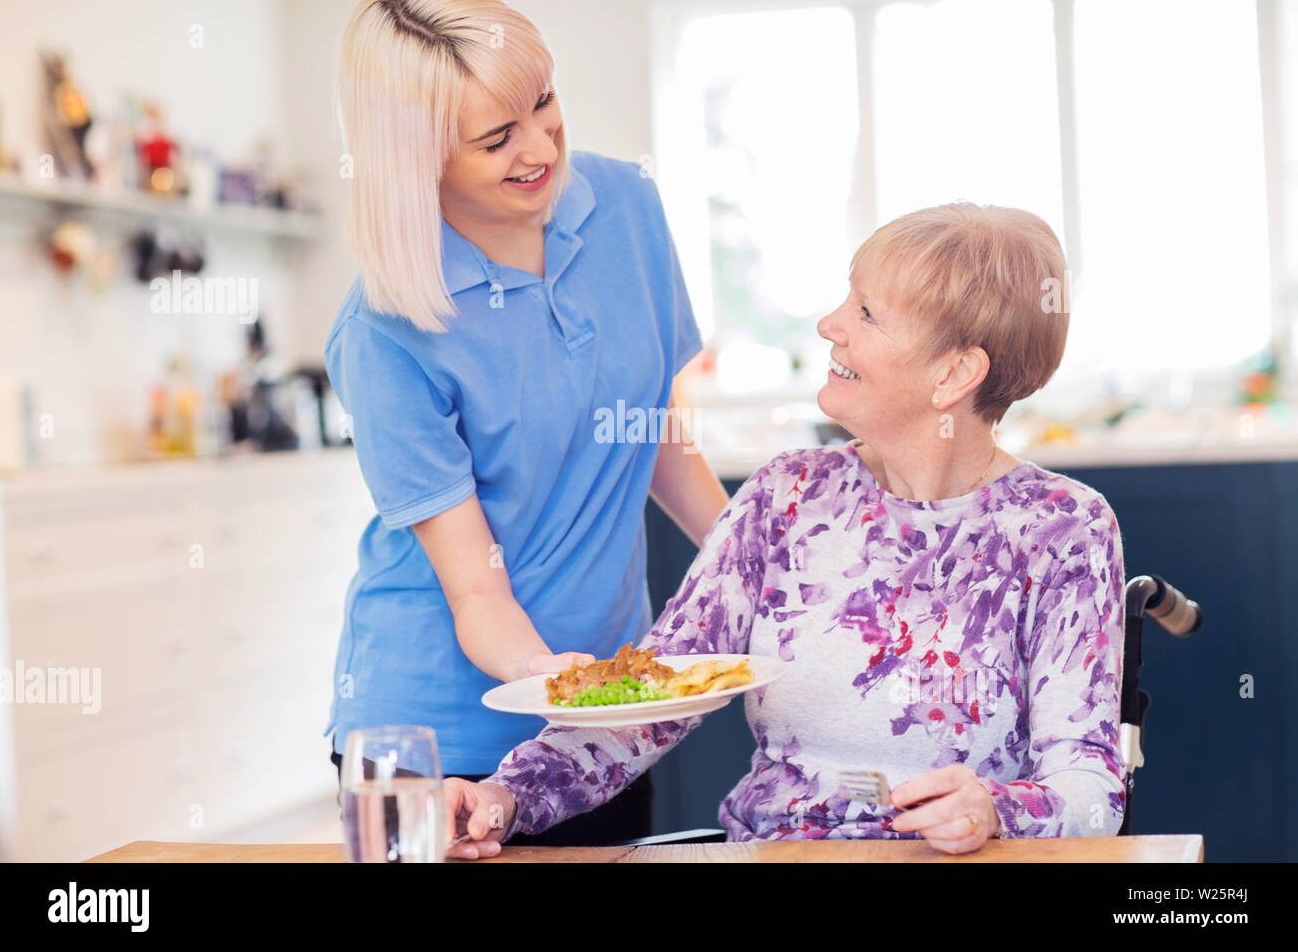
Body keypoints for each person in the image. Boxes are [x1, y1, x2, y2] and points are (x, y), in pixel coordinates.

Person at [444, 202, 1127, 858]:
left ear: (953, 373)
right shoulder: (788, 495)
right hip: (779, 855)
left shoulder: (1063, 528)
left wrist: (995, 811)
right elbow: (656, 697)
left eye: (866, 313)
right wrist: (507, 797)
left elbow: (1092, 789)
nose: (831, 325)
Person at [324, 0, 728, 845]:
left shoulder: (626, 208)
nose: (542, 148)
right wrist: (564, 684)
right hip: (441, 734)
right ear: (417, 156)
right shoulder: (386, 331)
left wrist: (765, 563)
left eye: (544, 103)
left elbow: (654, 435)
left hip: (601, 727)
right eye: (496, 137)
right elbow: (476, 592)